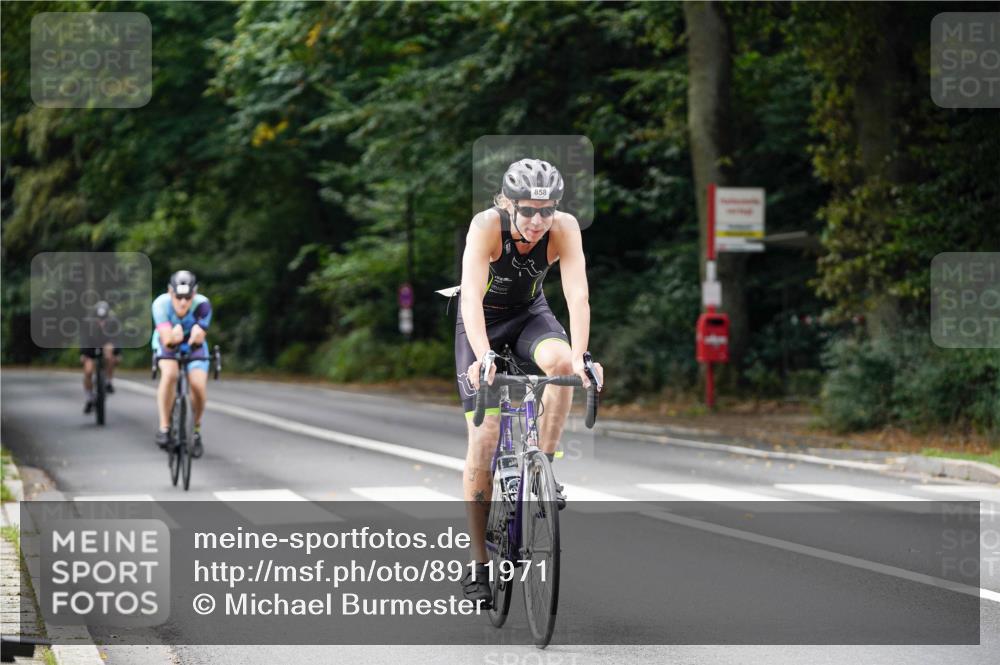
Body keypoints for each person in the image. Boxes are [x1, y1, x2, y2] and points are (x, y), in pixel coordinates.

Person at [455, 158, 604, 606]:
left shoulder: (564, 228)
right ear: (508, 204)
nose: (538, 221)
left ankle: (543, 468)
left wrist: (581, 357)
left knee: (561, 366)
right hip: (481, 324)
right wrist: (483, 355)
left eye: (547, 210)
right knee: (485, 439)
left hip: (529, 317)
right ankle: (478, 561)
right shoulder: (486, 227)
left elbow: (577, 294)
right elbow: (470, 298)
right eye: (528, 211)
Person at [151, 270, 212, 457]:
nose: (183, 302)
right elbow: (166, 340)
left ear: (195, 293)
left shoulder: (203, 304)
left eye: (188, 297)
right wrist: (173, 338)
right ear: (170, 292)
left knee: (198, 385)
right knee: (170, 374)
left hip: (193, 345)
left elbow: (200, 335)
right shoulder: (160, 304)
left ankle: (196, 431)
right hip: (168, 342)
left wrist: (197, 337)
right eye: (178, 297)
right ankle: (164, 427)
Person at [80, 300, 121, 414]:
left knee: (109, 352)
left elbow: (117, 339)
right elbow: (83, 339)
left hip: (106, 347)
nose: (101, 321)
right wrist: (83, 354)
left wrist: (117, 353)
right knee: (88, 371)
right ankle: (89, 397)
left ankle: (108, 382)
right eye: (99, 319)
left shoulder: (113, 322)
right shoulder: (88, 323)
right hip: (90, 348)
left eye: (104, 319)